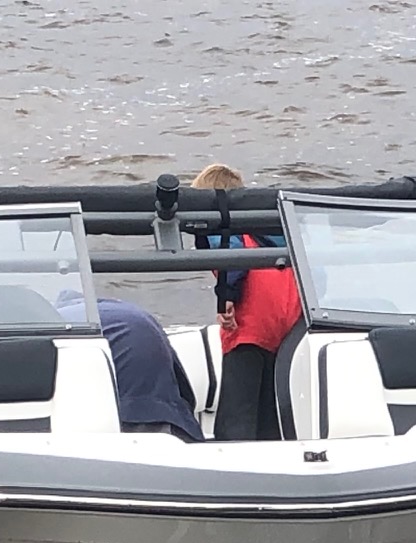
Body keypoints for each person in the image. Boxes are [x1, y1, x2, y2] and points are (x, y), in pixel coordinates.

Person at [192, 162, 302, 440]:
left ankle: (233, 465)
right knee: (269, 409)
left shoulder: (223, 222)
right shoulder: (271, 232)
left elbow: (232, 258)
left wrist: (227, 297)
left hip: (249, 325)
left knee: (237, 411)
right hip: (287, 326)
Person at [58, 287, 203, 440]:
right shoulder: (122, 309)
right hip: (157, 393)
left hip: (132, 395)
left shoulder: (56, 322)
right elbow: (183, 389)